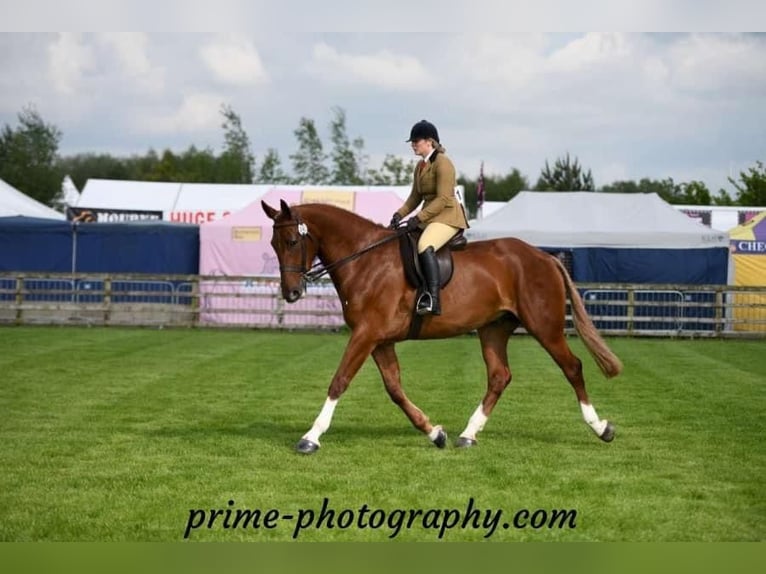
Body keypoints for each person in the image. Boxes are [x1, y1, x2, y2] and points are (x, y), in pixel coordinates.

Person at [389, 119, 469, 316]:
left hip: (448, 217)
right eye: (412, 141)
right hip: (431, 217)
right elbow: (415, 197)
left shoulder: (444, 163)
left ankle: (433, 298)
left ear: (430, 142)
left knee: (424, 245)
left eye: (416, 140)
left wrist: (419, 217)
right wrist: (400, 214)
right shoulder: (420, 167)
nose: (413, 144)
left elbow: (443, 199)